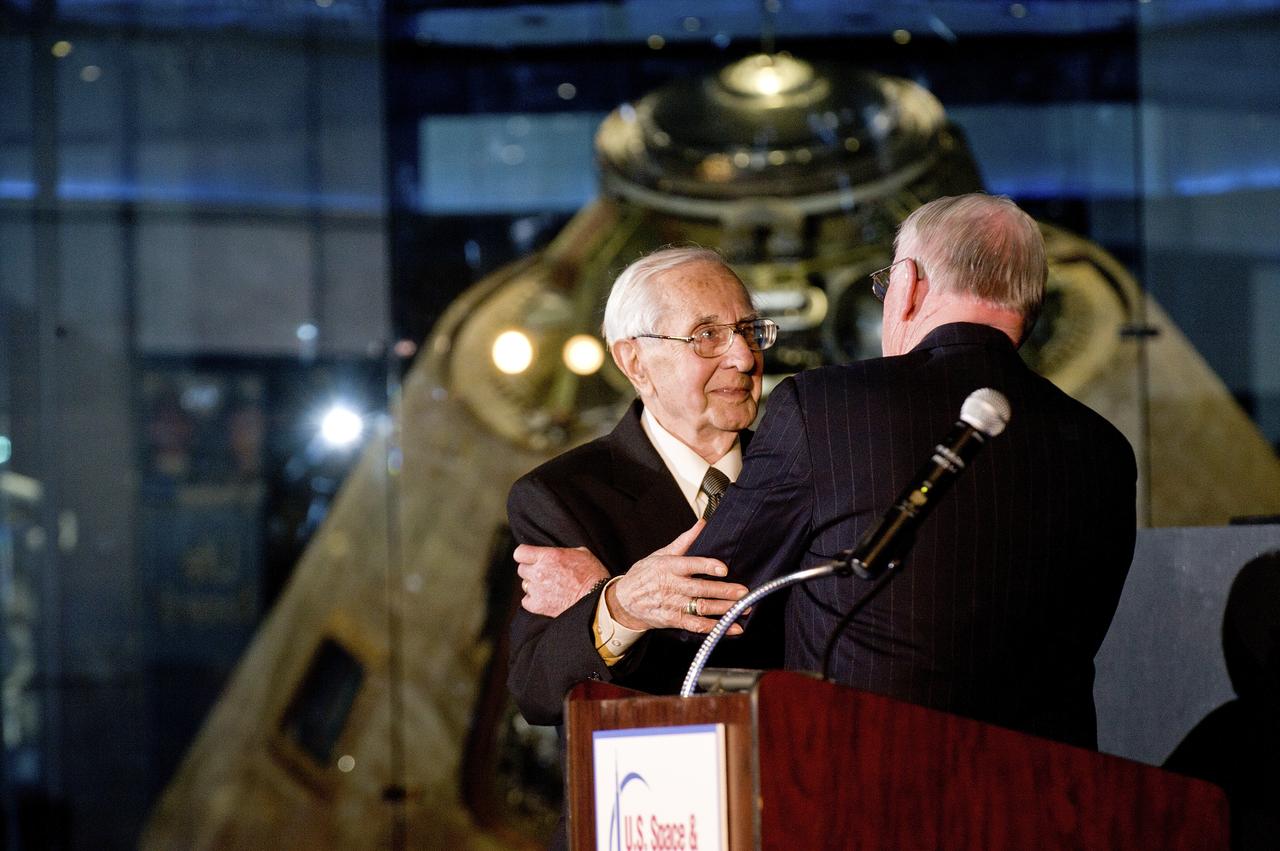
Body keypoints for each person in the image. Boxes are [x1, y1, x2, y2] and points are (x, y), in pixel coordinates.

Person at [672, 192, 1136, 749]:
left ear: (909, 283)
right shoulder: (1104, 449)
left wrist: (604, 599)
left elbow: (705, 604)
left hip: (869, 783)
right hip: (1049, 795)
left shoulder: (823, 408)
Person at [505, 248, 787, 843]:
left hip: (792, 809)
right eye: (706, 336)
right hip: (641, 819)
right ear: (635, 360)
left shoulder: (808, 473)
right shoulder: (561, 497)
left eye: (747, 331)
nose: (743, 356)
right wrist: (619, 606)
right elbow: (535, 689)